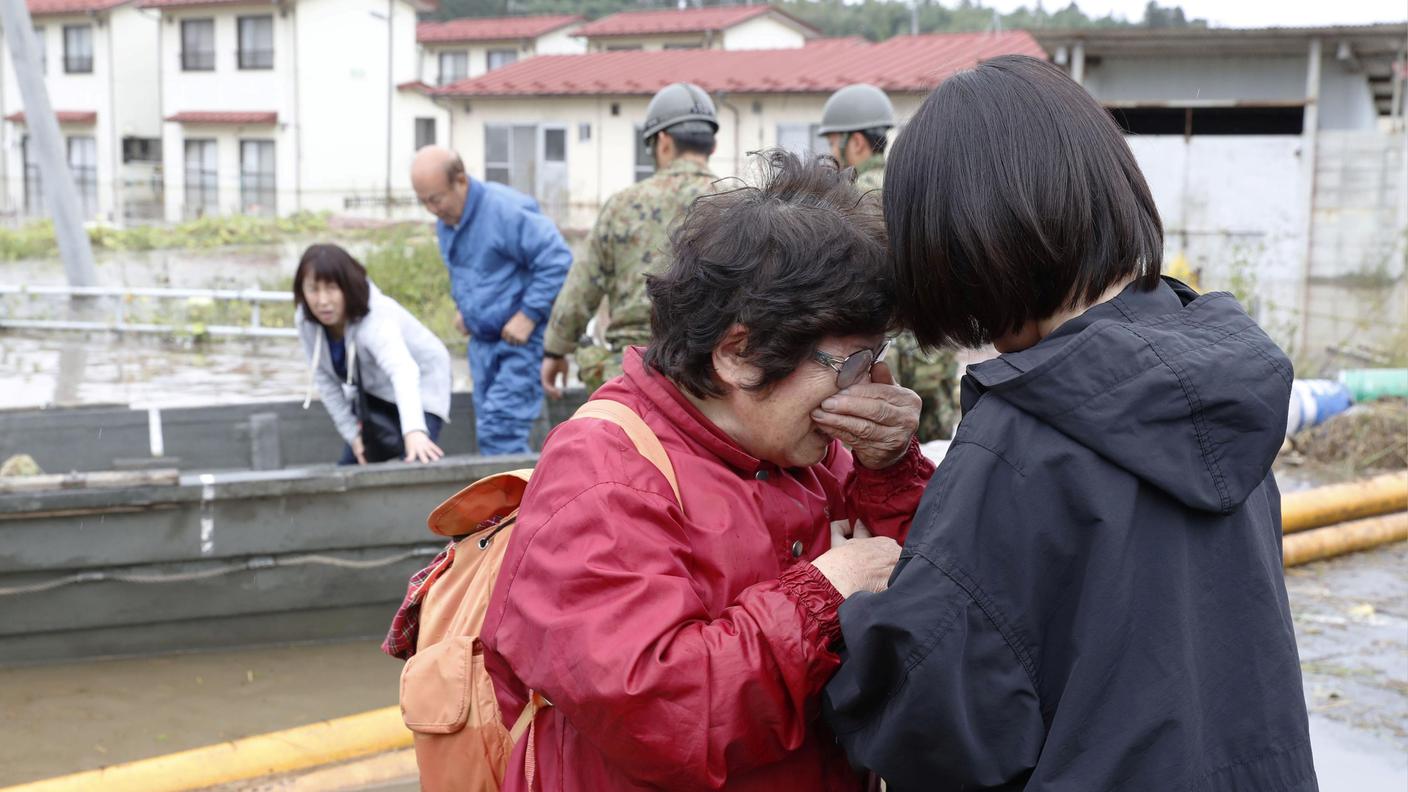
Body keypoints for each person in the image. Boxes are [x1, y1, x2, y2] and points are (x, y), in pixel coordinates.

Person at [825, 56, 1316, 791]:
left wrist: (855, 606)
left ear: (959, 245)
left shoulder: (1026, 440)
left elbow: (933, 721)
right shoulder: (1222, 393)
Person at [481, 152, 935, 791]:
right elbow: (664, 715)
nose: (870, 387)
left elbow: (932, 614)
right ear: (739, 354)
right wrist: (820, 597)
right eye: (852, 363)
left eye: (874, 359)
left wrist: (889, 471)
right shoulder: (601, 476)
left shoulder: (807, 446)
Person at [541, 82, 719, 397]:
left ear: (662, 142)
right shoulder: (742, 206)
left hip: (635, 373)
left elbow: (582, 287)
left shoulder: (622, 205)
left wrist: (556, 350)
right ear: (711, 146)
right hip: (713, 377)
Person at [410, 146, 572, 455]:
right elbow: (469, 271)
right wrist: (465, 309)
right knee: (489, 429)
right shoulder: (448, 224)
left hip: (518, 346)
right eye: (423, 201)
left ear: (460, 180)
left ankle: (518, 504)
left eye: (435, 198)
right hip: (481, 346)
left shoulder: (505, 211)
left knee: (501, 432)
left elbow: (557, 259)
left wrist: (529, 314)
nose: (431, 209)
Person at [819, 83, 958, 441]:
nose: (832, 152)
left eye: (834, 142)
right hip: (933, 350)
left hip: (879, 357)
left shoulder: (844, 198)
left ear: (857, 143)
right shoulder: (915, 188)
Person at [295, 244, 451, 465]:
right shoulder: (305, 320)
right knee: (353, 466)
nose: (322, 301)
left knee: (416, 459)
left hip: (421, 384)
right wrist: (354, 436)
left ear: (347, 287)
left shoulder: (376, 317)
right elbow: (325, 380)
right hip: (371, 391)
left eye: (331, 288)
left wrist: (414, 431)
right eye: (313, 289)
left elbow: (403, 371)